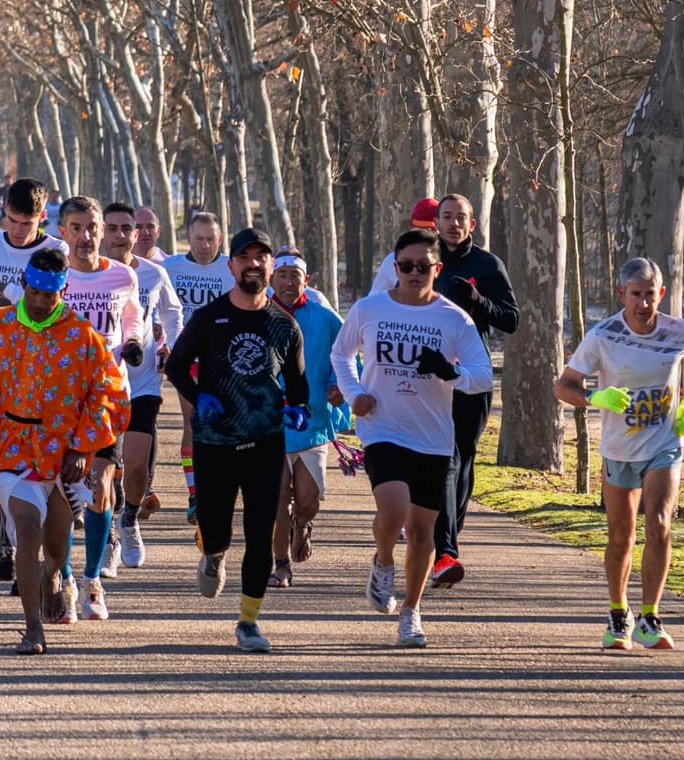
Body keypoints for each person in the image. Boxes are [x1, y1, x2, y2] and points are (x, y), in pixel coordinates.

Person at [0, 248, 128, 654]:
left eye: (52, 295)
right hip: (12, 446)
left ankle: (52, 579)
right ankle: (31, 628)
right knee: (27, 531)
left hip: (62, 456)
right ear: (25, 285)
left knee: (57, 549)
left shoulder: (81, 334)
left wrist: (84, 447)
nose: (42, 302)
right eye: (36, 293)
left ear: (62, 292)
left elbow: (107, 391)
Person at [330, 228, 492, 648]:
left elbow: (483, 375)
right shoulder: (369, 309)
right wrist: (355, 395)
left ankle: (411, 612)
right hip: (382, 426)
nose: (414, 273)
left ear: (437, 269)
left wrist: (452, 373)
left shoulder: (454, 319)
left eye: (423, 266)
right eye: (406, 266)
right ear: (394, 267)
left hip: (434, 436)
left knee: (422, 534)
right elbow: (340, 354)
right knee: (394, 510)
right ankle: (383, 562)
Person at [165, 228, 310, 653]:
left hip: (265, 444)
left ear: (270, 265)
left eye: (260, 257)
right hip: (214, 443)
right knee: (215, 529)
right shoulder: (209, 318)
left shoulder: (284, 325)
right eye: (244, 256)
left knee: (260, 531)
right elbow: (175, 366)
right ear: (231, 266)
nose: (253, 263)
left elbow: (298, 386)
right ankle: (212, 553)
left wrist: (299, 409)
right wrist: (198, 397)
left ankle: (248, 622)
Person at [554, 258, 684, 650]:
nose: (643, 303)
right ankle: (619, 614)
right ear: (621, 294)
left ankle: (650, 617)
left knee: (659, 524)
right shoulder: (603, 336)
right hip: (619, 448)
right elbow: (564, 385)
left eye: (650, 295)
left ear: (661, 295)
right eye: (635, 294)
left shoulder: (679, 331)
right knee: (621, 536)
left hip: (664, 443)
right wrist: (592, 397)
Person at [0, 176, 64, 581]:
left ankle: (40, 550)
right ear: (2, 212)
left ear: (43, 214)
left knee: (42, 466)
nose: (19, 231)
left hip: (45, 380)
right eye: (13, 221)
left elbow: (61, 312)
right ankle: (4, 531)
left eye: (28, 222)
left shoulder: (56, 250)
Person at [51, 196, 145, 621]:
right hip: (59, 400)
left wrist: (133, 342)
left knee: (102, 485)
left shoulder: (123, 276)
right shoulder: (51, 275)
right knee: (64, 495)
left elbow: (132, 319)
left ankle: (92, 582)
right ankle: (66, 579)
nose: (86, 236)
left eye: (92, 227)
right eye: (77, 227)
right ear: (62, 231)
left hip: (107, 396)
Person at [425, 193, 518, 588]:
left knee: (462, 460)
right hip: (429, 375)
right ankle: (444, 550)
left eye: (460, 218)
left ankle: (449, 535)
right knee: (443, 458)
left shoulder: (486, 264)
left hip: (472, 374)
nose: (452, 224)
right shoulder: (424, 261)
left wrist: (479, 300)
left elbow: (511, 320)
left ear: (472, 224)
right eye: (446, 217)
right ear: (437, 222)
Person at [103, 201, 183, 567]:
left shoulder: (154, 274)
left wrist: (171, 345)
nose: (120, 235)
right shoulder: (91, 274)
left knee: (136, 466)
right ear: (102, 231)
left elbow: (173, 312)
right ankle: (108, 539)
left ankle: (130, 518)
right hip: (100, 383)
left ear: (138, 235)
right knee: (100, 470)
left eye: (126, 229)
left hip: (142, 380)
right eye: (113, 228)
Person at [268, 247, 344, 588]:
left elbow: (347, 355)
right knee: (278, 494)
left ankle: (303, 523)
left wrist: (338, 384)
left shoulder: (324, 317)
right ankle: (281, 564)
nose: (287, 282)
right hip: (268, 421)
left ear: (306, 281)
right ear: (271, 278)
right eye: (281, 275)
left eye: (294, 277)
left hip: (311, 421)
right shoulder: (258, 314)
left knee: (308, 499)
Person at [161, 211, 234, 521]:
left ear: (219, 239)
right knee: (193, 425)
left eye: (210, 239)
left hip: (226, 361)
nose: (205, 245)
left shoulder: (231, 267)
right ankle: (196, 495)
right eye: (199, 238)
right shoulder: (171, 268)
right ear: (187, 237)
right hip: (188, 359)